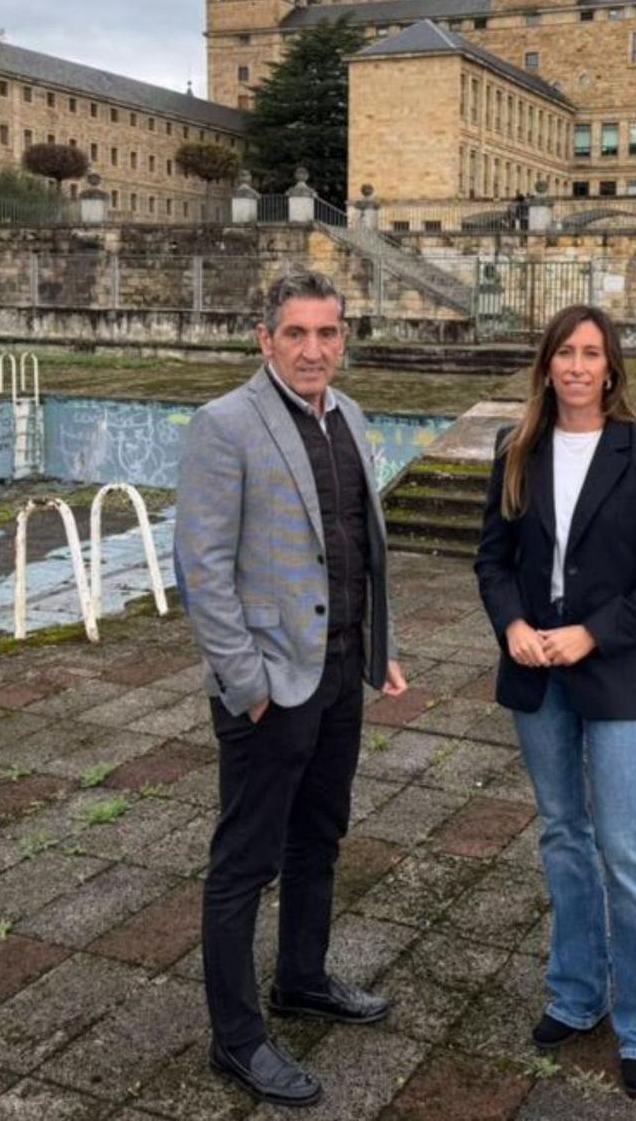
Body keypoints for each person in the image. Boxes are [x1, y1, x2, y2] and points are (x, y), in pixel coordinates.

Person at [174, 270, 408, 1109]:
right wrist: (249, 686)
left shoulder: (348, 417)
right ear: (265, 338)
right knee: (244, 864)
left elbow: (360, 546)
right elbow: (200, 569)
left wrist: (379, 651)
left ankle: (302, 979)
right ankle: (236, 1040)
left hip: (340, 672)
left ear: (344, 339)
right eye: (298, 334)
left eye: (329, 333)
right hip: (271, 686)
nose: (315, 350)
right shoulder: (225, 425)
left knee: (321, 835)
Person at [474, 304, 636, 1100]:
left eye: (590, 353)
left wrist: (590, 635)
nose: (575, 366)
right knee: (563, 835)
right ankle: (576, 994)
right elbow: (491, 561)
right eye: (563, 352)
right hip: (537, 669)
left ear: (610, 368)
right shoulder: (516, 450)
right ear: (546, 364)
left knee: (624, 849)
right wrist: (514, 624)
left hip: (617, 669)